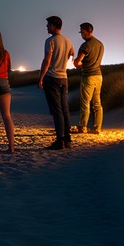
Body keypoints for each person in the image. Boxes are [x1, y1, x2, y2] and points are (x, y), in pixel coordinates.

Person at [38, 15, 75, 149]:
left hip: (52, 77)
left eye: (48, 25)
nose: (47, 27)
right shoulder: (68, 41)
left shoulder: (50, 40)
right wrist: (64, 63)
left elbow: (47, 60)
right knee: (65, 109)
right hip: (63, 77)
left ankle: (60, 140)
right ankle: (68, 138)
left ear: (54, 25)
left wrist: (41, 77)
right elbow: (72, 53)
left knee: (57, 110)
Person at [72, 22, 104, 134]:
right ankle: (97, 127)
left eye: (81, 31)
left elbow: (77, 62)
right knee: (97, 103)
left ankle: (83, 126)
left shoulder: (86, 45)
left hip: (88, 76)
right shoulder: (100, 44)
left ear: (87, 30)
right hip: (99, 76)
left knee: (85, 102)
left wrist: (76, 63)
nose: (81, 34)